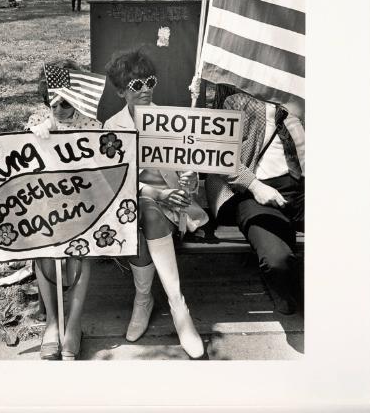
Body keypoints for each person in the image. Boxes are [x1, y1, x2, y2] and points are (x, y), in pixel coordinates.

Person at [103, 49, 207, 359]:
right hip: (132, 208)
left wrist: (190, 181)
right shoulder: (113, 126)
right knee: (144, 211)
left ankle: (165, 306)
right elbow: (116, 182)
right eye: (136, 85)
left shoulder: (171, 120)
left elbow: (191, 171)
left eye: (150, 81)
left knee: (148, 214)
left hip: (176, 209)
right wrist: (157, 194)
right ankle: (161, 303)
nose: (146, 89)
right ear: (122, 91)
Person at [205, 89, 305, 315]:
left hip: (304, 188)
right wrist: (254, 185)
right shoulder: (236, 100)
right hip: (255, 190)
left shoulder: (302, 92)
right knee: (278, 261)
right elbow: (219, 152)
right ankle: (288, 292)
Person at [27, 60, 102, 360]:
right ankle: (52, 323)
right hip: (46, 206)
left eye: (65, 103)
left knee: (84, 250)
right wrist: (39, 132)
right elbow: (20, 163)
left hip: (82, 206)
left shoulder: (92, 125)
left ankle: (73, 323)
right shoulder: (38, 120)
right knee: (40, 245)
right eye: (53, 102)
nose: (58, 110)